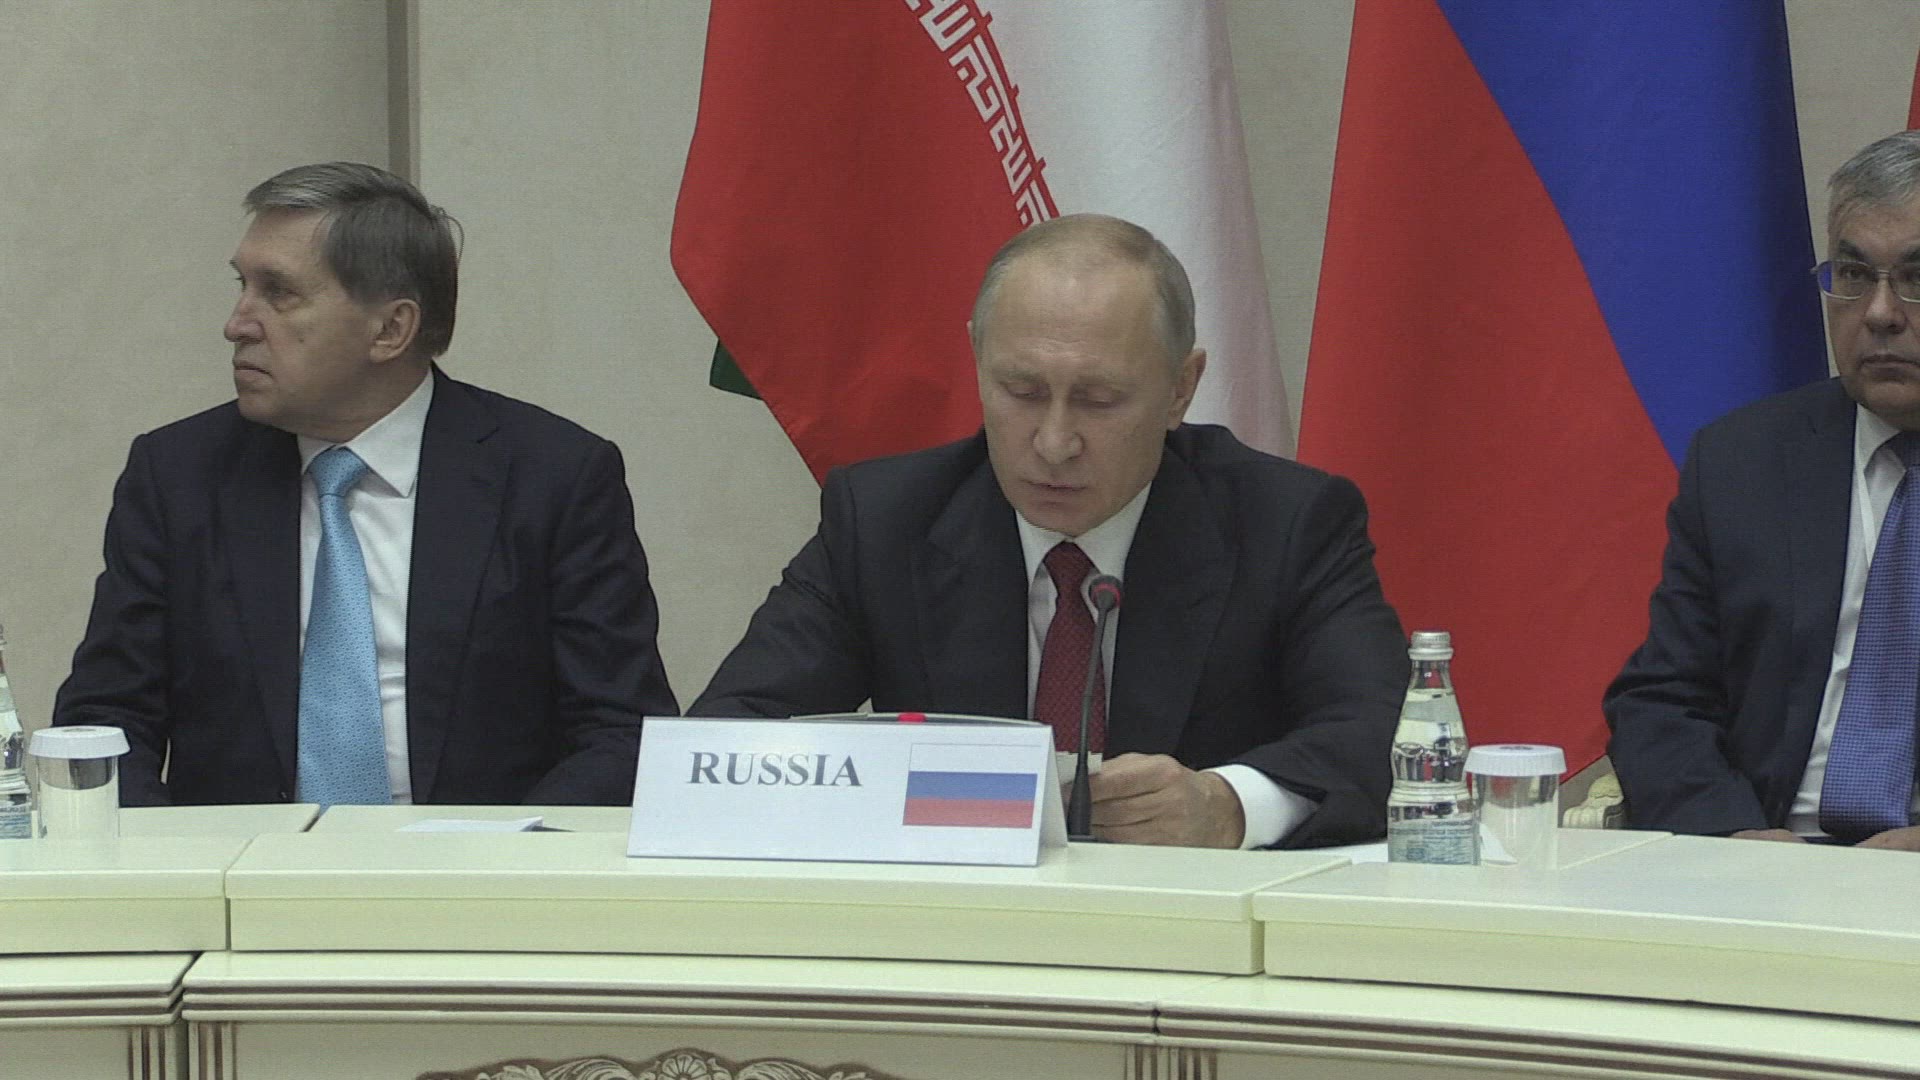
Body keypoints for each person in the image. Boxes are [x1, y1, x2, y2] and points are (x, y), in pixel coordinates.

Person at [692, 214, 1407, 849]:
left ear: (1180, 389)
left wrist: (1228, 807)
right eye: (1022, 392)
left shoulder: (1287, 523)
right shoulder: (885, 519)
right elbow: (725, 740)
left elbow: (1386, 739)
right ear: (978, 360)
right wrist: (907, 793)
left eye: (1100, 400)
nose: (1054, 443)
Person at [53, 162, 677, 806]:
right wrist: (176, 859)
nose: (237, 323)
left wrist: (503, 857)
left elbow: (620, 732)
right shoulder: (179, 474)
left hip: (478, 860)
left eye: (278, 293)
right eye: (243, 286)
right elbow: (104, 724)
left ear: (390, 329)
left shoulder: (552, 476)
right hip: (240, 862)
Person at [1606, 131, 1920, 850]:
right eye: (1853, 273)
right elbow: (1662, 701)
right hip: (1770, 859)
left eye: (1918, 276)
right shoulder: (1744, 460)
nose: (1879, 312)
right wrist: (1736, 836)